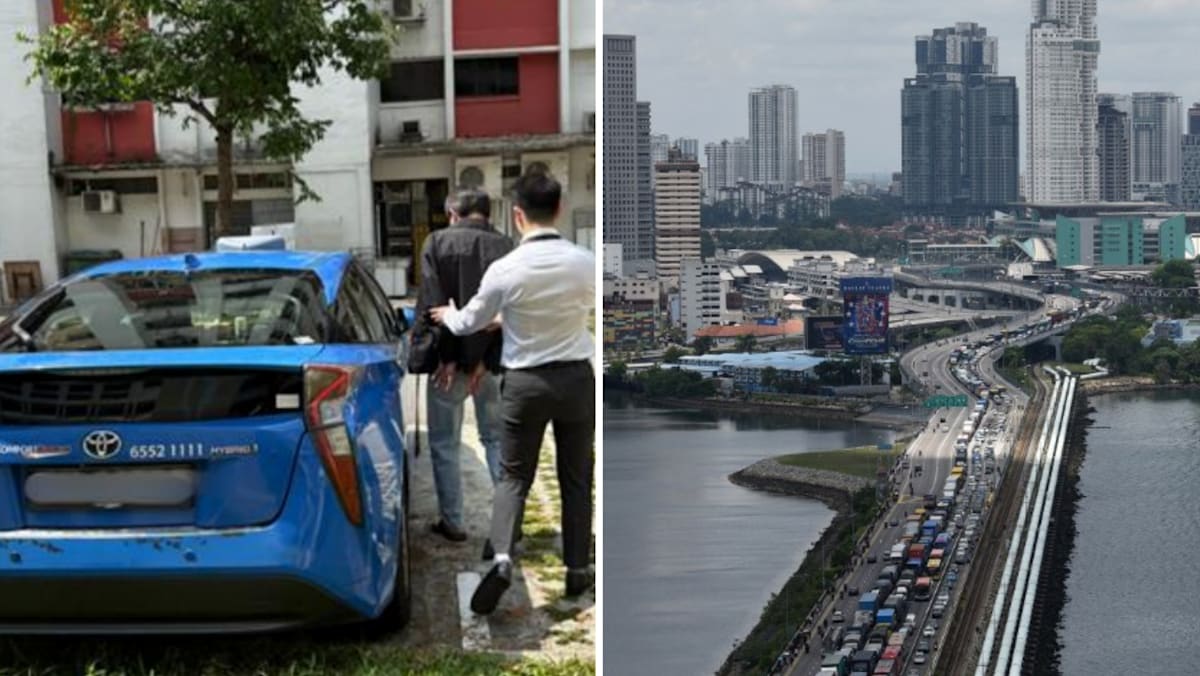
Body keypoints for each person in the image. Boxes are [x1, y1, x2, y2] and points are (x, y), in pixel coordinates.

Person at [431, 170, 595, 615]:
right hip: (577, 379)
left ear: (517, 214)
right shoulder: (585, 261)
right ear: (559, 208)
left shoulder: (506, 269)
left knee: (514, 475)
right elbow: (581, 306)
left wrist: (448, 313)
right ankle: (578, 569)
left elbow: (467, 322)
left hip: (525, 383)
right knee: (576, 479)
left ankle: (503, 558)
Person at [415, 187, 513, 543]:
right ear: (487, 213)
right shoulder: (506, 247)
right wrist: (487, 362)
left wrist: (447, 357)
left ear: (453, 213)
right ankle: (508, 524)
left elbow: (432, 304)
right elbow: (511, 311)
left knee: (444, 444)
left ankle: (453, 522)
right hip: (492, 365)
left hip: (448, 367)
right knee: (496, 439)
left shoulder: (436, 243)